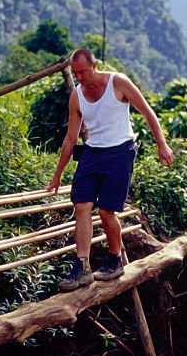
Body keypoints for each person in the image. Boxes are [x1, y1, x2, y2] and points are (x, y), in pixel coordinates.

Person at [47, 48, 174, 290]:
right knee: (82, 205)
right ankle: (82, 267)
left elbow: (147, 111)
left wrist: (162, 144)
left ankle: (115, 259)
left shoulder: (118, 82)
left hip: (120, 151)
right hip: (92, 153)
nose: (80, 77)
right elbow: (70, 138)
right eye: (76, 73)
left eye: (83, 72)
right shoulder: (77, 96)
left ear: (94, 66)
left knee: (106, 211)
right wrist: (57, 175)